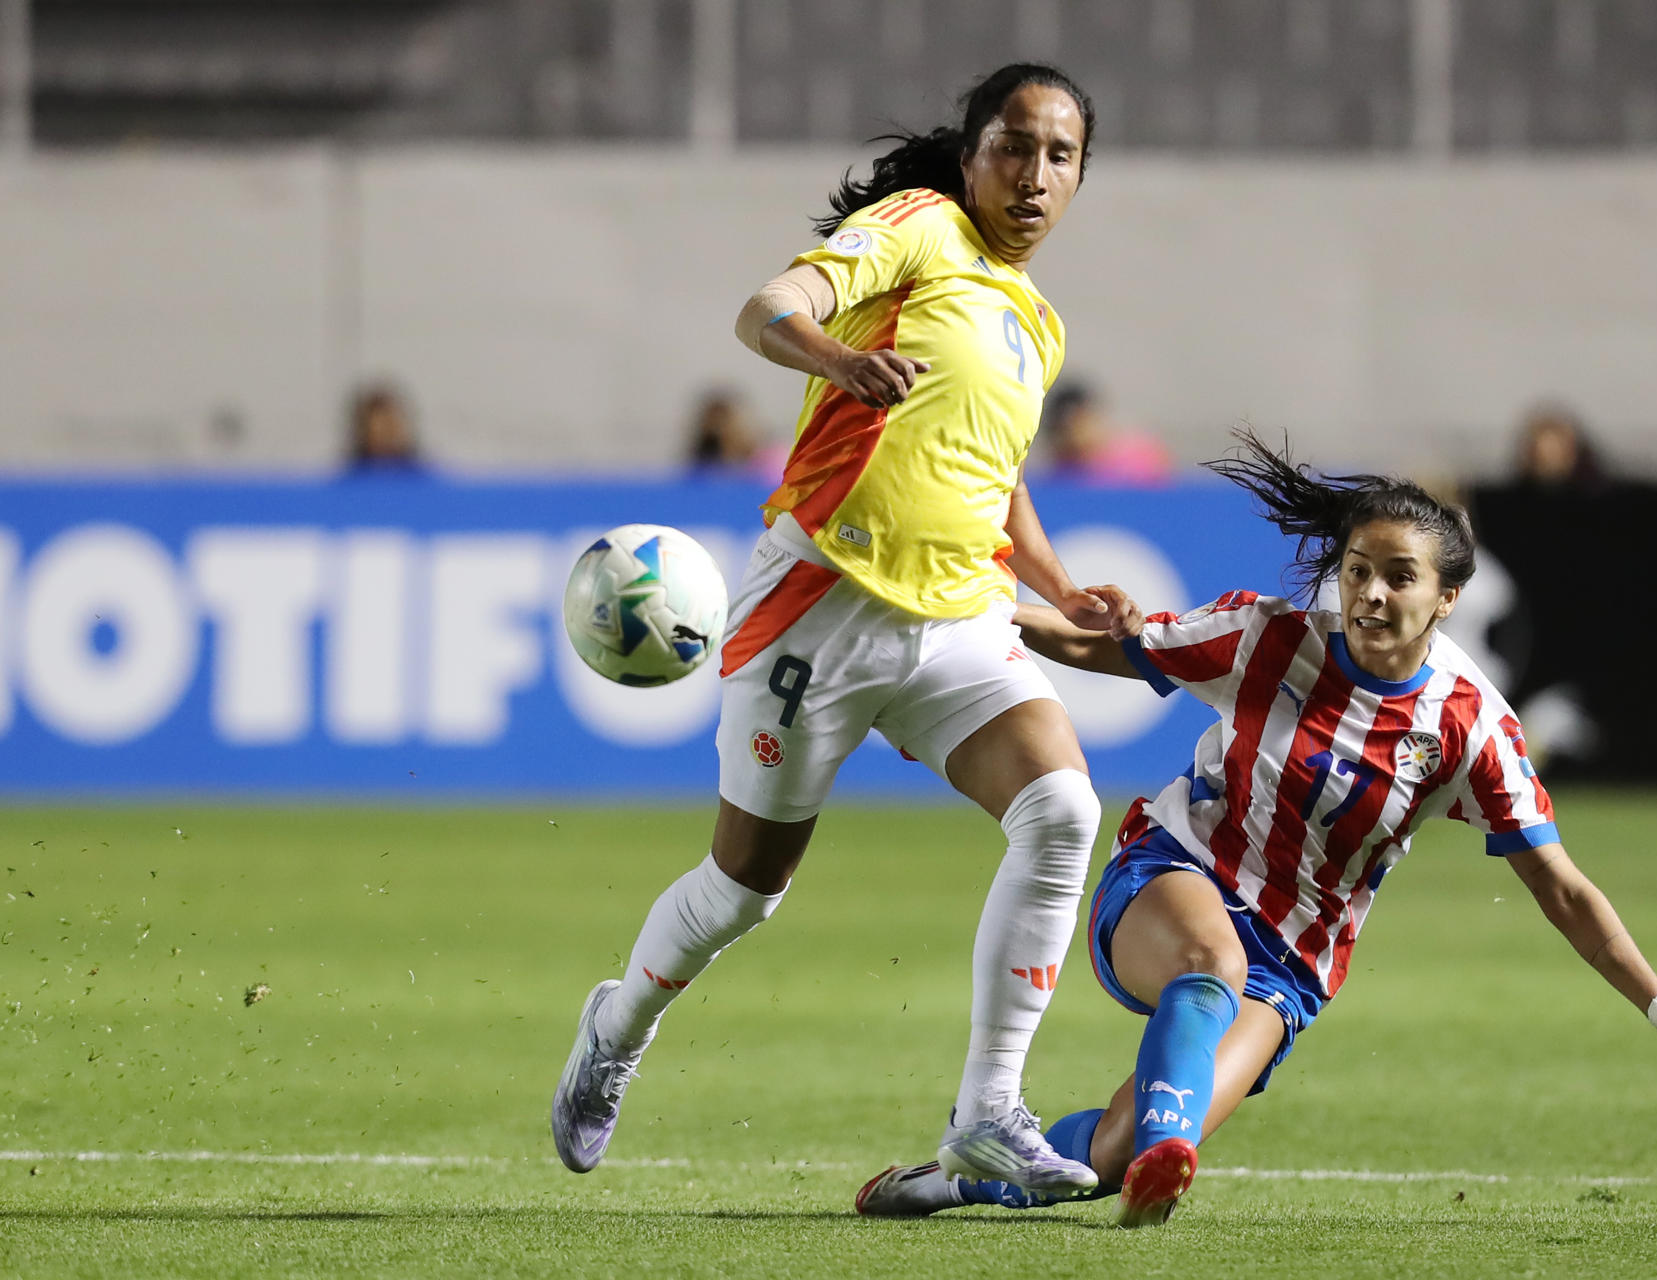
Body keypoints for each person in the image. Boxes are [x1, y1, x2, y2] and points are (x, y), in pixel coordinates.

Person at [854, 431, 1657, 1226]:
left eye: (1400, 578)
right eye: (1358, 572)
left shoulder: (1472, 725)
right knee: (1203, 973)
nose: (1372, 595)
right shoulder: (1278, 637)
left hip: (1293, 962)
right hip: (1174, 875)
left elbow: (1563, 886)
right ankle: (1171, 1149)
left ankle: (959, 1180)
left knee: (1108, 1157)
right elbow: (1106, 645)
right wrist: (963, 615)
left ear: (1448, 598)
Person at [552, 63, 1142, 1195]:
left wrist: (1059, 585)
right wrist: (841, 360)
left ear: (1079, 179)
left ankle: (987, 1111)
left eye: (1059, 155)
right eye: (1013, 146)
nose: (1033, 173)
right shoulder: (914, 228)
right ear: (969, 155)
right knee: (743, 890)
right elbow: (765, 309)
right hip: (819, 600)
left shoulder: (1040, 325)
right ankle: (617, 1027)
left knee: (1063, 807)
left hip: (956, 619)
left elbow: (997, 473)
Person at [1041, 382, 1173, 486]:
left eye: (1079, 422)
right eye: (1066, 428)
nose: (1075, 434)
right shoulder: (1061, 472)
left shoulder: (1140, 456)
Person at [343, 380, 422, 471]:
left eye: (391, 426)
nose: (387, 435)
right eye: (379, 429)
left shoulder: (429, 481)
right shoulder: (345, 481)